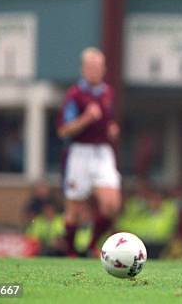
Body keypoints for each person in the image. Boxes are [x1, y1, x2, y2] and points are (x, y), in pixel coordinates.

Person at [57, 47, 121, 257]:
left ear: (103, 69)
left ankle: (90, 246)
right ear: (83, 69)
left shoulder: (107, 92)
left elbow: (106, 119)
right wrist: (86, 118)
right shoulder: (75, 95)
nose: (94, 70)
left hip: (102, 151)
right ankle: (70, 252)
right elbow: (64, 130)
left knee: (111, 204)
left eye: (98, 66)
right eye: (90, 66)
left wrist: (110, 127)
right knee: (74, 208)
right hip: (80, 152)